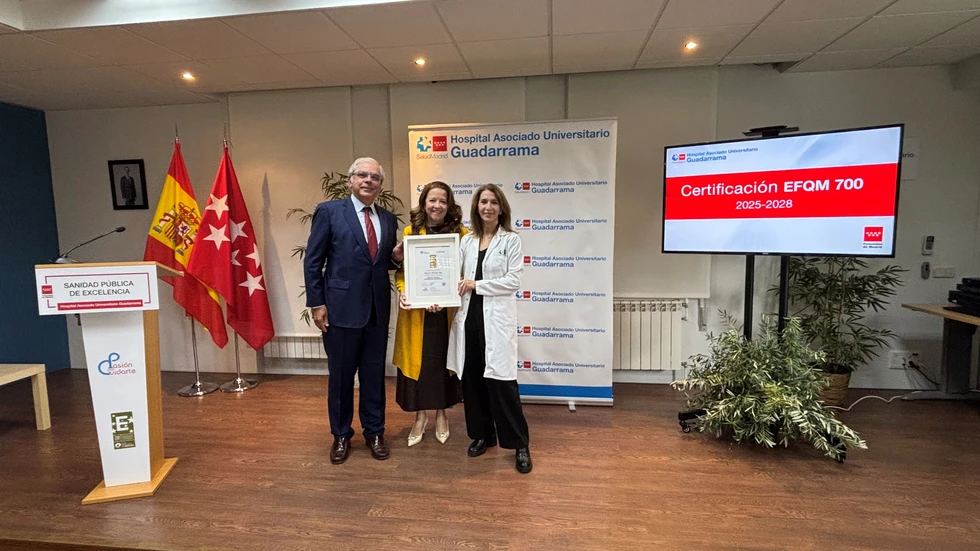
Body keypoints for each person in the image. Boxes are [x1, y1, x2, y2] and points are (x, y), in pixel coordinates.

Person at [303, 157, 403, 465]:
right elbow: (313, 261)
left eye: (375, 177)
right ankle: (341, 435)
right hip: (340, 310)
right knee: (342, 377)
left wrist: (397, 258)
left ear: (380, 185)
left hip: (376, 312)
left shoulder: (388, 219)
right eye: (362, 175)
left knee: (374, 377)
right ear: (350, 180)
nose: (368, 180)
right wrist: (317, 304)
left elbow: (380, 264)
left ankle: (375, 432)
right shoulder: (330, 212)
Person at [447, 184, 532, 474]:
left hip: (496, 321)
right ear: (476, 207)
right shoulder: (467, 241)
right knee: (472, 381)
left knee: (502, 384)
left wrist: (476, 285)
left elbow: (513, 281)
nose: (488, 207)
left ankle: (519, 444)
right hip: (469, 318)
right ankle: (483, 435)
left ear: (501, 208)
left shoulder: (511, 240)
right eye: (483, 202)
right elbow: (454, 276)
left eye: (494, 202)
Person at [393, 182, 467, 446]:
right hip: (416, 313)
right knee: (421, 365)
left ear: (450, 205)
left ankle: (442, 415)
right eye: (432, 200)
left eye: (443, 201)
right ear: (424, 203)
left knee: (442, 364)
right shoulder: (411, 232)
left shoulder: (462, 234)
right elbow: (402, 273)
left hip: (448, 313)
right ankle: (420, 417)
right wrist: (404, 291)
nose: (437, 205)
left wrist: (450, 293)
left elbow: (466, 274)